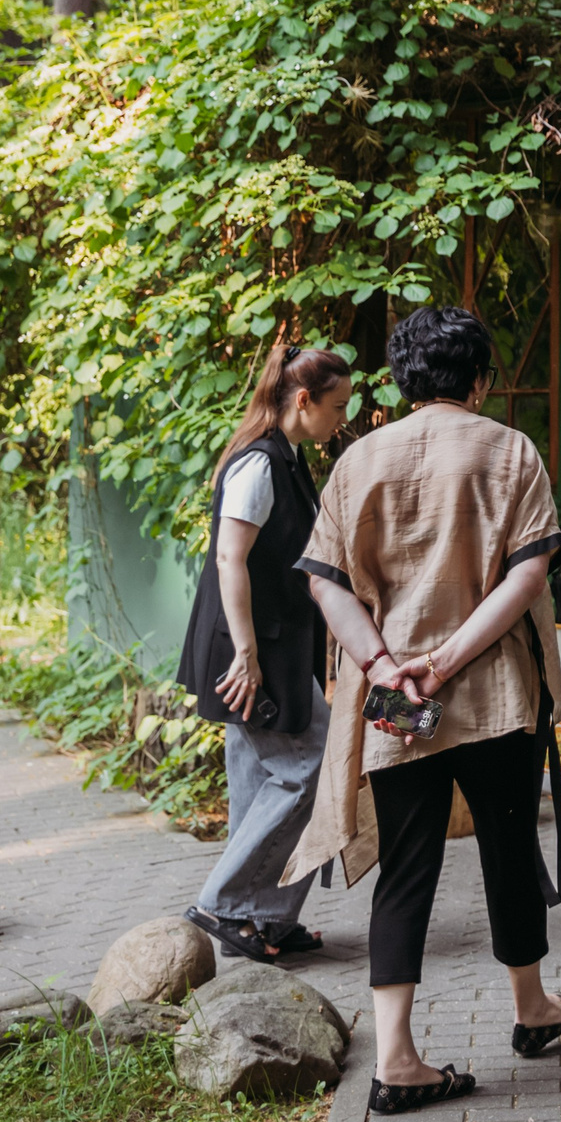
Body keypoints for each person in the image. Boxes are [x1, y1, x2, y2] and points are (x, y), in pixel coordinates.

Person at [284, 305, 561, 1115]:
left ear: (404, 379)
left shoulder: (359, 458)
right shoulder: (509, 448)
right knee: (509, 847)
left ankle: (398, 1059)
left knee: (407, 868)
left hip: (396, 705)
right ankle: (531, 1008)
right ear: (481, 377)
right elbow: (525, 577)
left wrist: (387, 663)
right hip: (493, 696)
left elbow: (325, 580)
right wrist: (448, 660)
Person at [178, 342, 353, 963]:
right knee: (309, 766)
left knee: (257, 777)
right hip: (250, 649)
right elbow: (231, 559)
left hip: (275, 642)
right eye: (335, 407)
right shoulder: (258, 464)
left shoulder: (290, 457)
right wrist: (247, 656)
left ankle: (264, 917)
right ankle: (225, 904)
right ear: (302, 400)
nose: (341, 420)